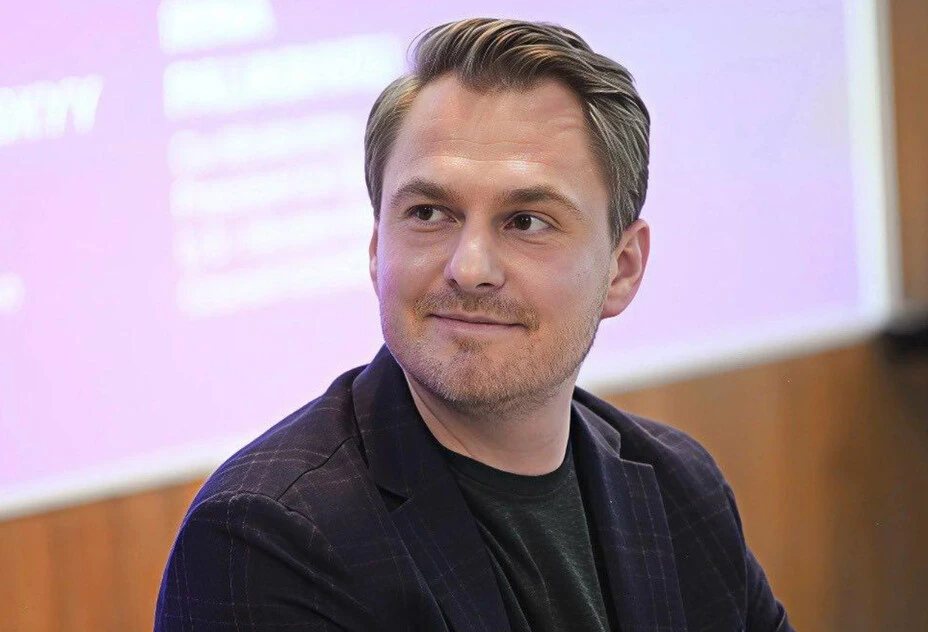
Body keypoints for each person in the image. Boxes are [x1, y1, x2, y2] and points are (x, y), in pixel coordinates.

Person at [156, 18, 792, 632]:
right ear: (377, 250)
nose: (469, 269)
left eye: (527, 222)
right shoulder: (267, 536)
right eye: (429, 213)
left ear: (622, 269)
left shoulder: (681, 486)